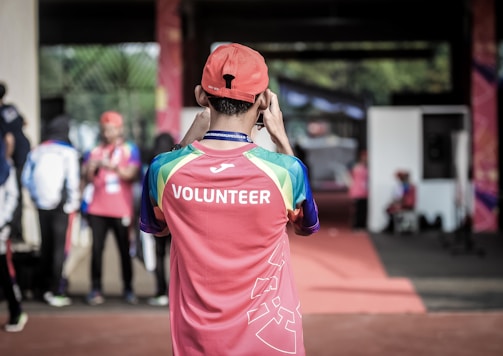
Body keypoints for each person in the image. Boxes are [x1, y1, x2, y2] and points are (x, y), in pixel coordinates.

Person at [140, 43, 320, 355]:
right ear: (264, 101)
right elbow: (306, 226)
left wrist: (185, 143)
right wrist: (282, 141)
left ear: (200, 96)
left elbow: (159, 228)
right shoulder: (287, 171)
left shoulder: (163, 169)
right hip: (271, 340)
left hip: (198, 343)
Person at [82, 111, 141, 305]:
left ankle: (128, 288)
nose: (107, 133)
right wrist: (91, 167)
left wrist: (112, 166)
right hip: (97, 209)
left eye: (111, 129)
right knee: (97, 250)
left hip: (120, 209)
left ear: (119, 129)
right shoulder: (94, 150)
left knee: (124, 250)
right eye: (105, 129)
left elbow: (131, 174)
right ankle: (96, 288)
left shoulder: (128, 149)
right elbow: (86, 176)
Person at [21, 114, 81, 307]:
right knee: (58, 249)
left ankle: (42, 289)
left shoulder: (37, 150)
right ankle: (55, 290)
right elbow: (73, 180)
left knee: (45, 246)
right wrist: (72, 204)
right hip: (61, 207)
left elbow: (26, 178)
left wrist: (35, 198)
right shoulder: (69, 152)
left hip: (41, 206)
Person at [143, 132, 175, 307]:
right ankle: (175, 292)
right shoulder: (177, 162)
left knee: (159, 254)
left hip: (158, 217)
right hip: (175, 219)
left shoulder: (154, 162)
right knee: (177, 256)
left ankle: (160, 291)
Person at [0, 136, 28, 332]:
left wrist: (4, 221)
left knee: (3, 270)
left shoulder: (6, 167)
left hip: (0, 227)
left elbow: (12, 197)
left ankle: (16, 310)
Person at [0, 82, 31, 243]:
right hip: (24, 151)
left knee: (13, 195)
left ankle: (14, 232)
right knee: (17, 195)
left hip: (14, 157)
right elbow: (24, 122)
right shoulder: (10, 108)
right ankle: (16, 231)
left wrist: (6, 159)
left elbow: (9, 139)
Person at [348, 149, 368, 230]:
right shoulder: (358, 168)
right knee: (358, 210)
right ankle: (356, 225)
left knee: (362, 209)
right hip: (358, 191)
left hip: (363, 192)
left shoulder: (359, 168)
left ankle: (360, 225)